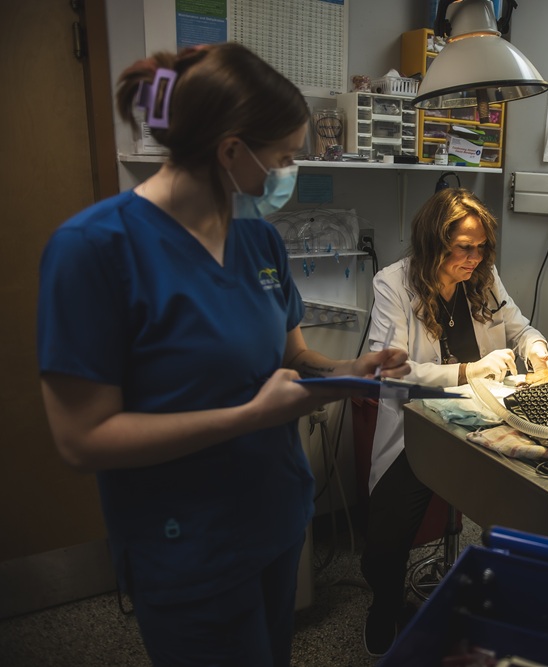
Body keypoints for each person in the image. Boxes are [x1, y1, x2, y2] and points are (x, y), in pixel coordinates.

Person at [35, 43, 408, 667]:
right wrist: (248, 418)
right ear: (232, 151)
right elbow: (83, 438)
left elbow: (292, 358)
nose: (290, 173)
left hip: (275, 518)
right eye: (285, 158)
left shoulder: (257, 239)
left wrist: (347, 374)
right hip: (187, 547)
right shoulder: (94, 250)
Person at [360, 188, 548, 655]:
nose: (475, 257)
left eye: (482, 246)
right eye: (464, 247)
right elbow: (389, 368)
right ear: (434, 243)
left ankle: (487, 601)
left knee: (514, 509)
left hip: (484, 420)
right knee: (385, 540)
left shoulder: (482, 278)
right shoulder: (395, 284)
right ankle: (385, 606)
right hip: (420, 423)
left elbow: (520, 327)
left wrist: (537, 350)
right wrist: (469, 370)